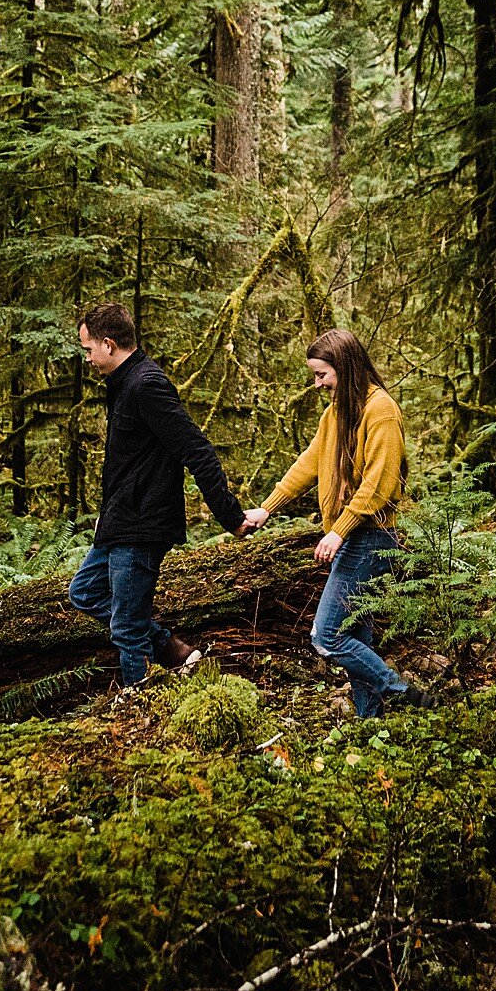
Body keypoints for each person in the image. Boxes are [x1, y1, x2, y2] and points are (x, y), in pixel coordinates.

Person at [240, 328, 426, 717]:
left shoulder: (382, 411)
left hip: (371, 538)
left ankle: (397, 688)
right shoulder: (336, 414)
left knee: (326, 636)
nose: (317, 383)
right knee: (356, 632)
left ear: (345, 367)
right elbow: (308, 464)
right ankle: (369, 721)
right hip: (356, 536)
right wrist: (267, 507)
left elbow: (380, 484)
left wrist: (338, 531)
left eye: (322, 374)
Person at [69, 301, 247, 687]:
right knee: (84, 592)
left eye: (88, 349)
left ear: (109, 344)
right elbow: (127, 462)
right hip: (121, 519)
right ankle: (173, 652)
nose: (87, 358)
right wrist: (107, 512)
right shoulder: (123, 384)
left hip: (142, 523)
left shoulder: (147, 384)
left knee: (128, 629)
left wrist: (229, 517)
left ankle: (138, 706)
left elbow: (196, 450)